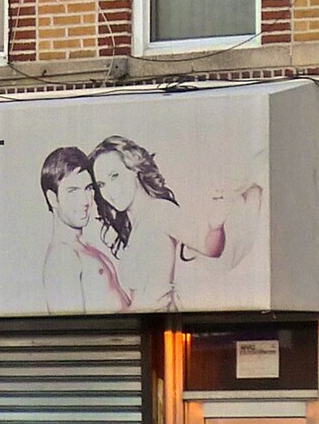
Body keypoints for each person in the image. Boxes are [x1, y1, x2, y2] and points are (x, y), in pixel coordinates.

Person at [88, 134, 243, 311]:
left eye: (114, 176)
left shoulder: (160, 211)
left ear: (134, 169)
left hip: (162, 321)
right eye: (101, 184)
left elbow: (210, 248)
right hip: (146, 322)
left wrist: (216, 226)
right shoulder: (133, 226)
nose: (110, 191)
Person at [39, 145, 130, 314]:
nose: (85, 201)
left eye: (88, 188)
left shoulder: (85, 249)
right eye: (73, 191)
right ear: (52, 198)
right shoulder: (62, 257)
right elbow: (72, 328)